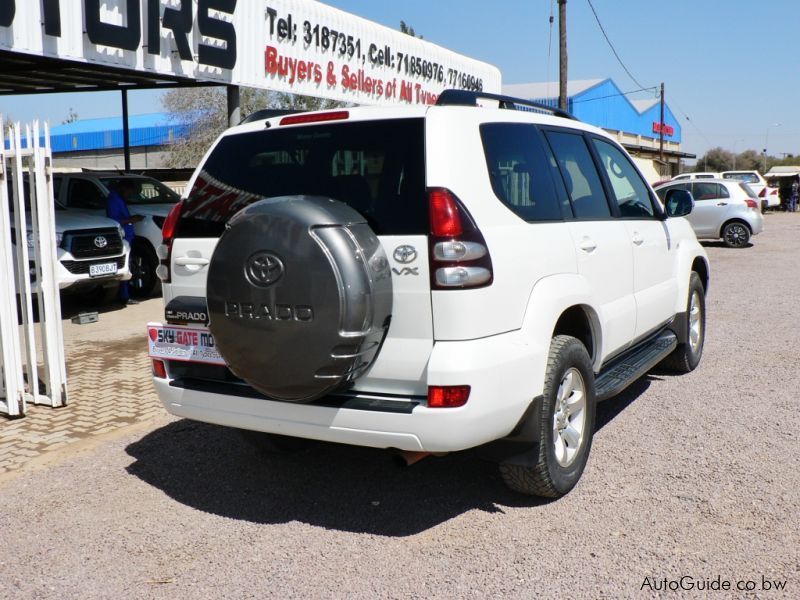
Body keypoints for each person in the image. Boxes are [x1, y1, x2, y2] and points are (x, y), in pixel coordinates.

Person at [106, 180, 144, 305]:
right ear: (123, 188)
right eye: (129, 192)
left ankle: (125, 294)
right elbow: (114, 220)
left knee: (127, 265)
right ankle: (124, 296)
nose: (129, 195)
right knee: (125, 265)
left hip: (128, 236)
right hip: (122, 238)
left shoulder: (118, 199)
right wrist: (132, 219)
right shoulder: (114, 200)